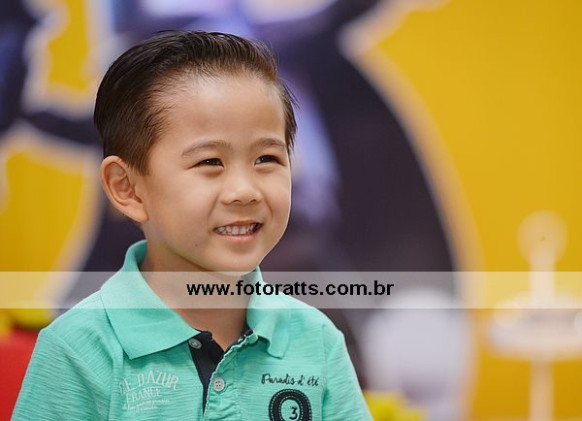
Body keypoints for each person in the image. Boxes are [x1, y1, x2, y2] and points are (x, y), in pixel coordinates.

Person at [12, 30, 372, 420]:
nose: (244, 191)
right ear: (127, 188)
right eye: (210, 162)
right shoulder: (79, 348)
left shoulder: (316, 340)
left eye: (267, 159)